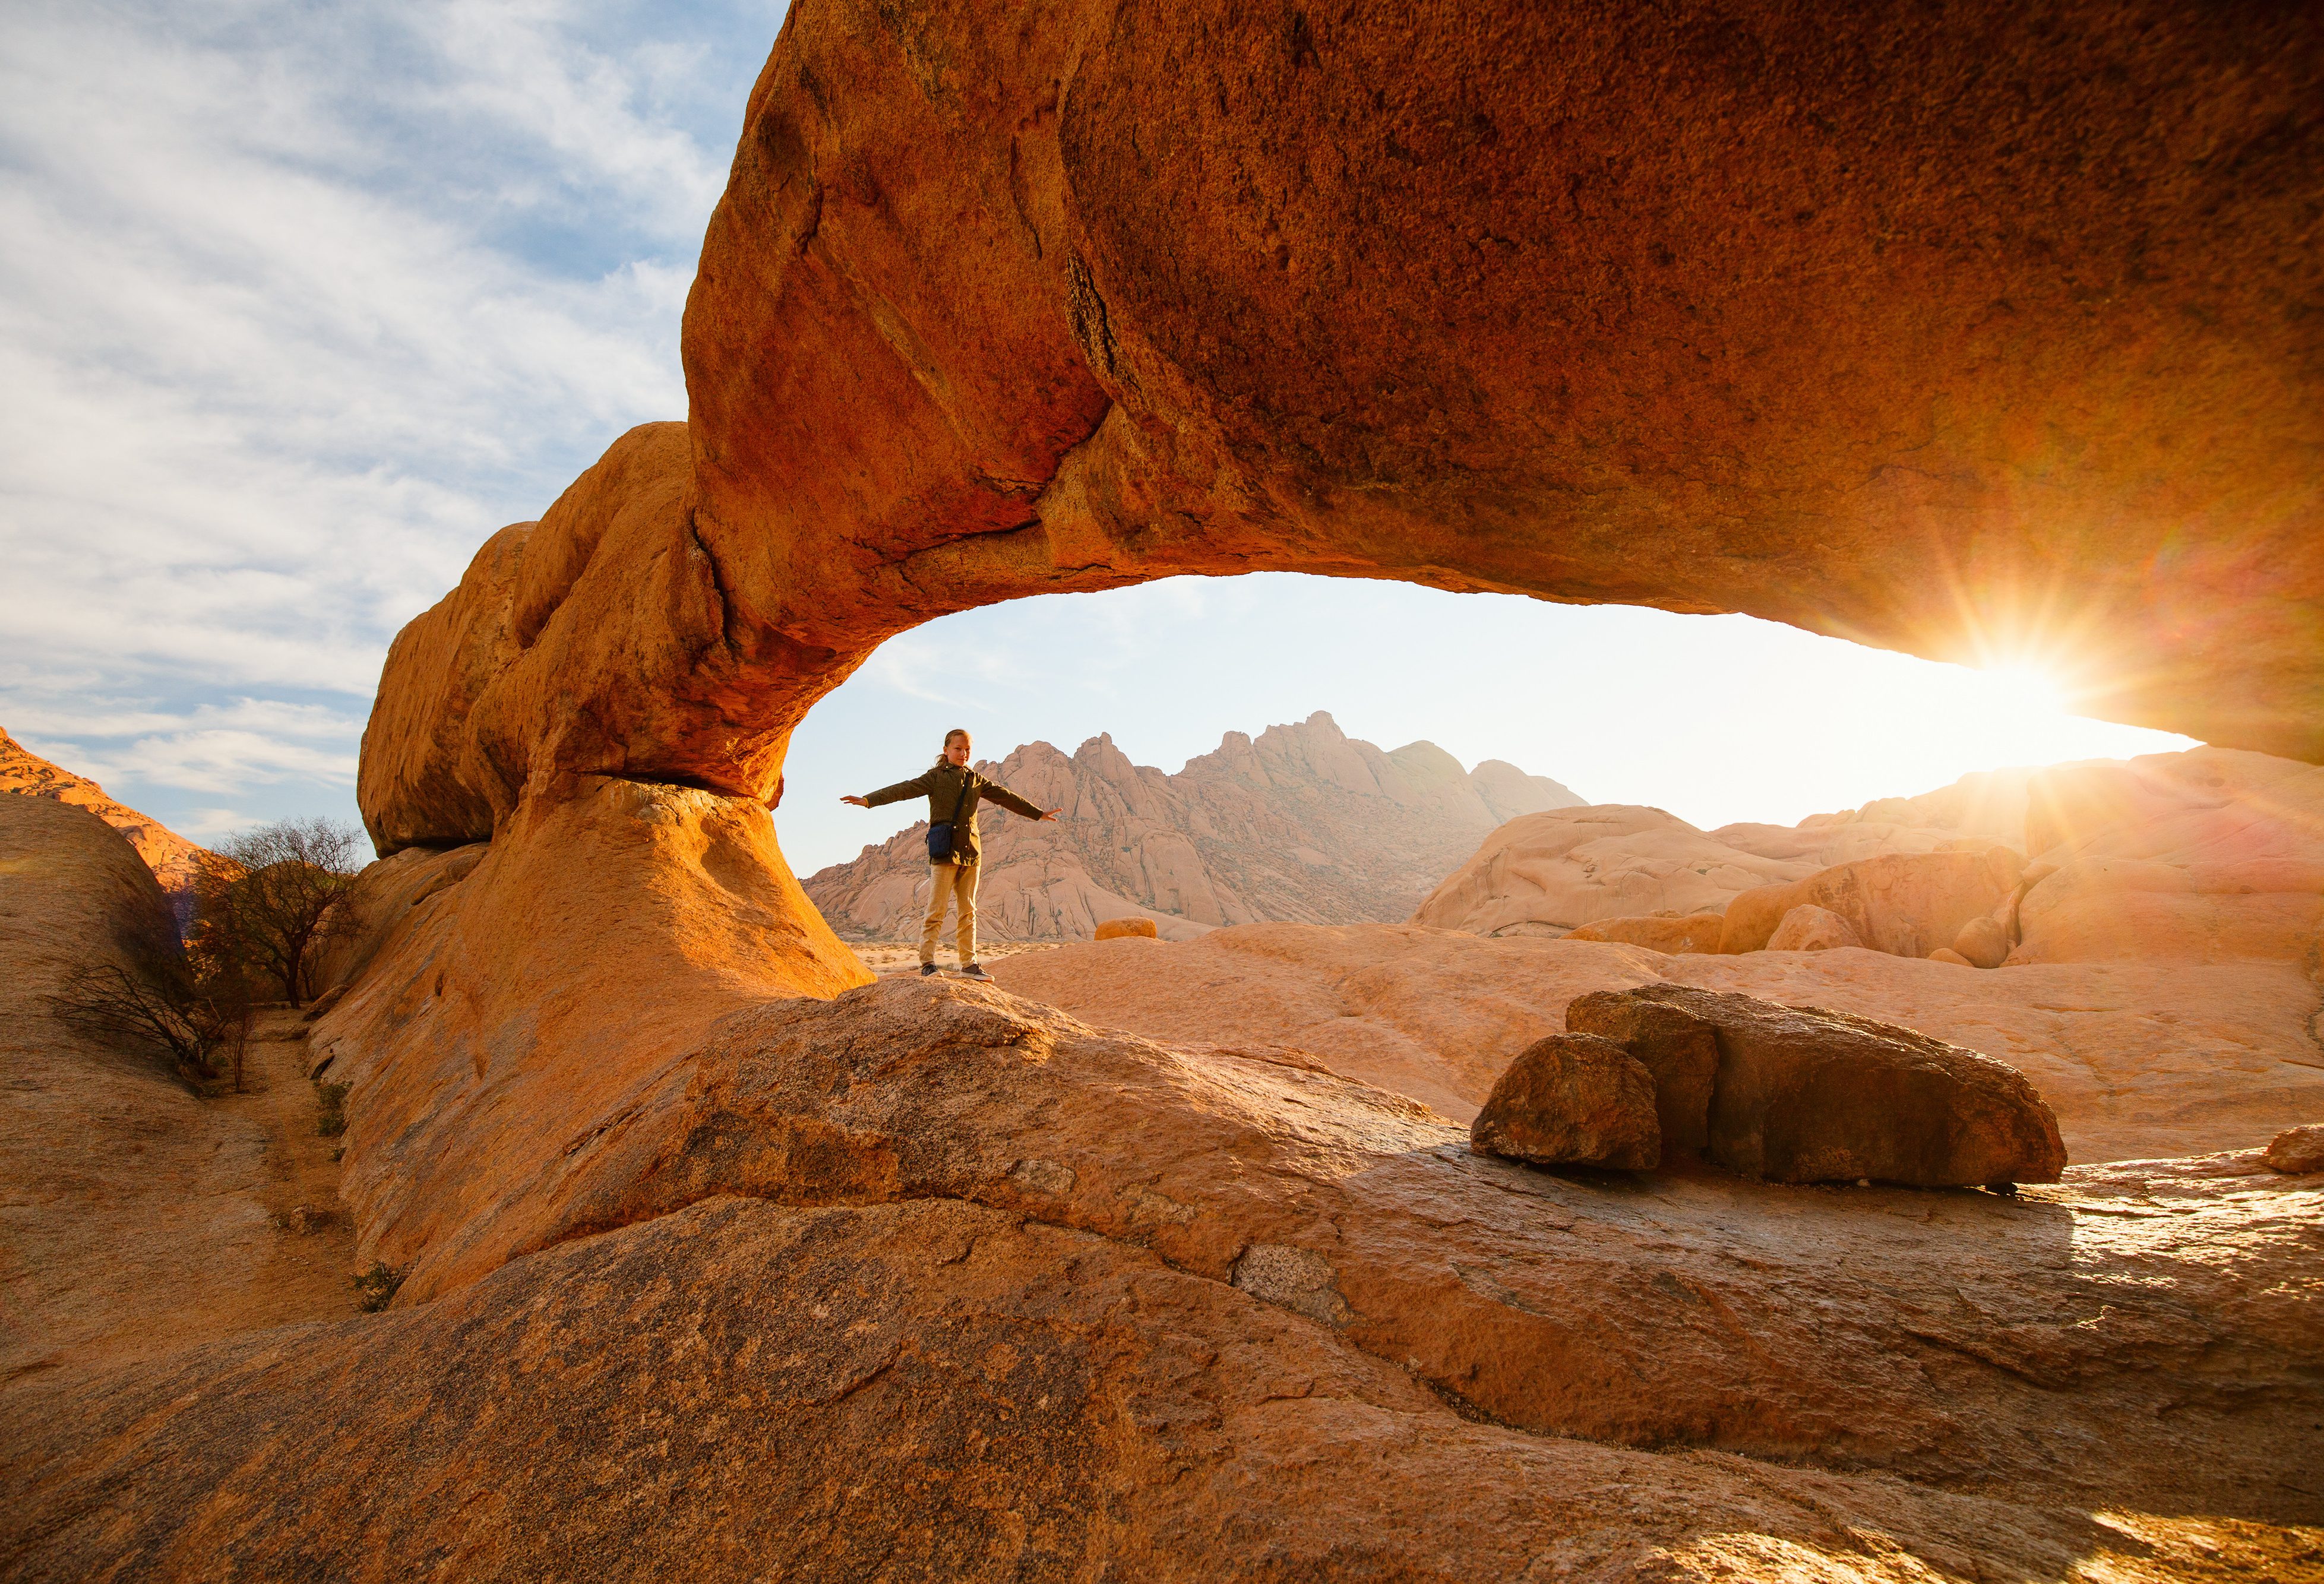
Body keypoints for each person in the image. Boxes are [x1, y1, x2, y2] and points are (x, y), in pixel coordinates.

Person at [843, 728, 1059, 979]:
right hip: (945, 851)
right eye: (958, 749)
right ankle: (928, 963)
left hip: (971, 852)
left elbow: (1005, 798)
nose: (963, 754)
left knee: (969, 910)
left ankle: (969, 964)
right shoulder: (935, 777)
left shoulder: (976, 779)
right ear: (946, 751)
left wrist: (1038, 813)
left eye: (967, 749)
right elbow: (903, 790)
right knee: (937, 910)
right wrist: (869, 800)